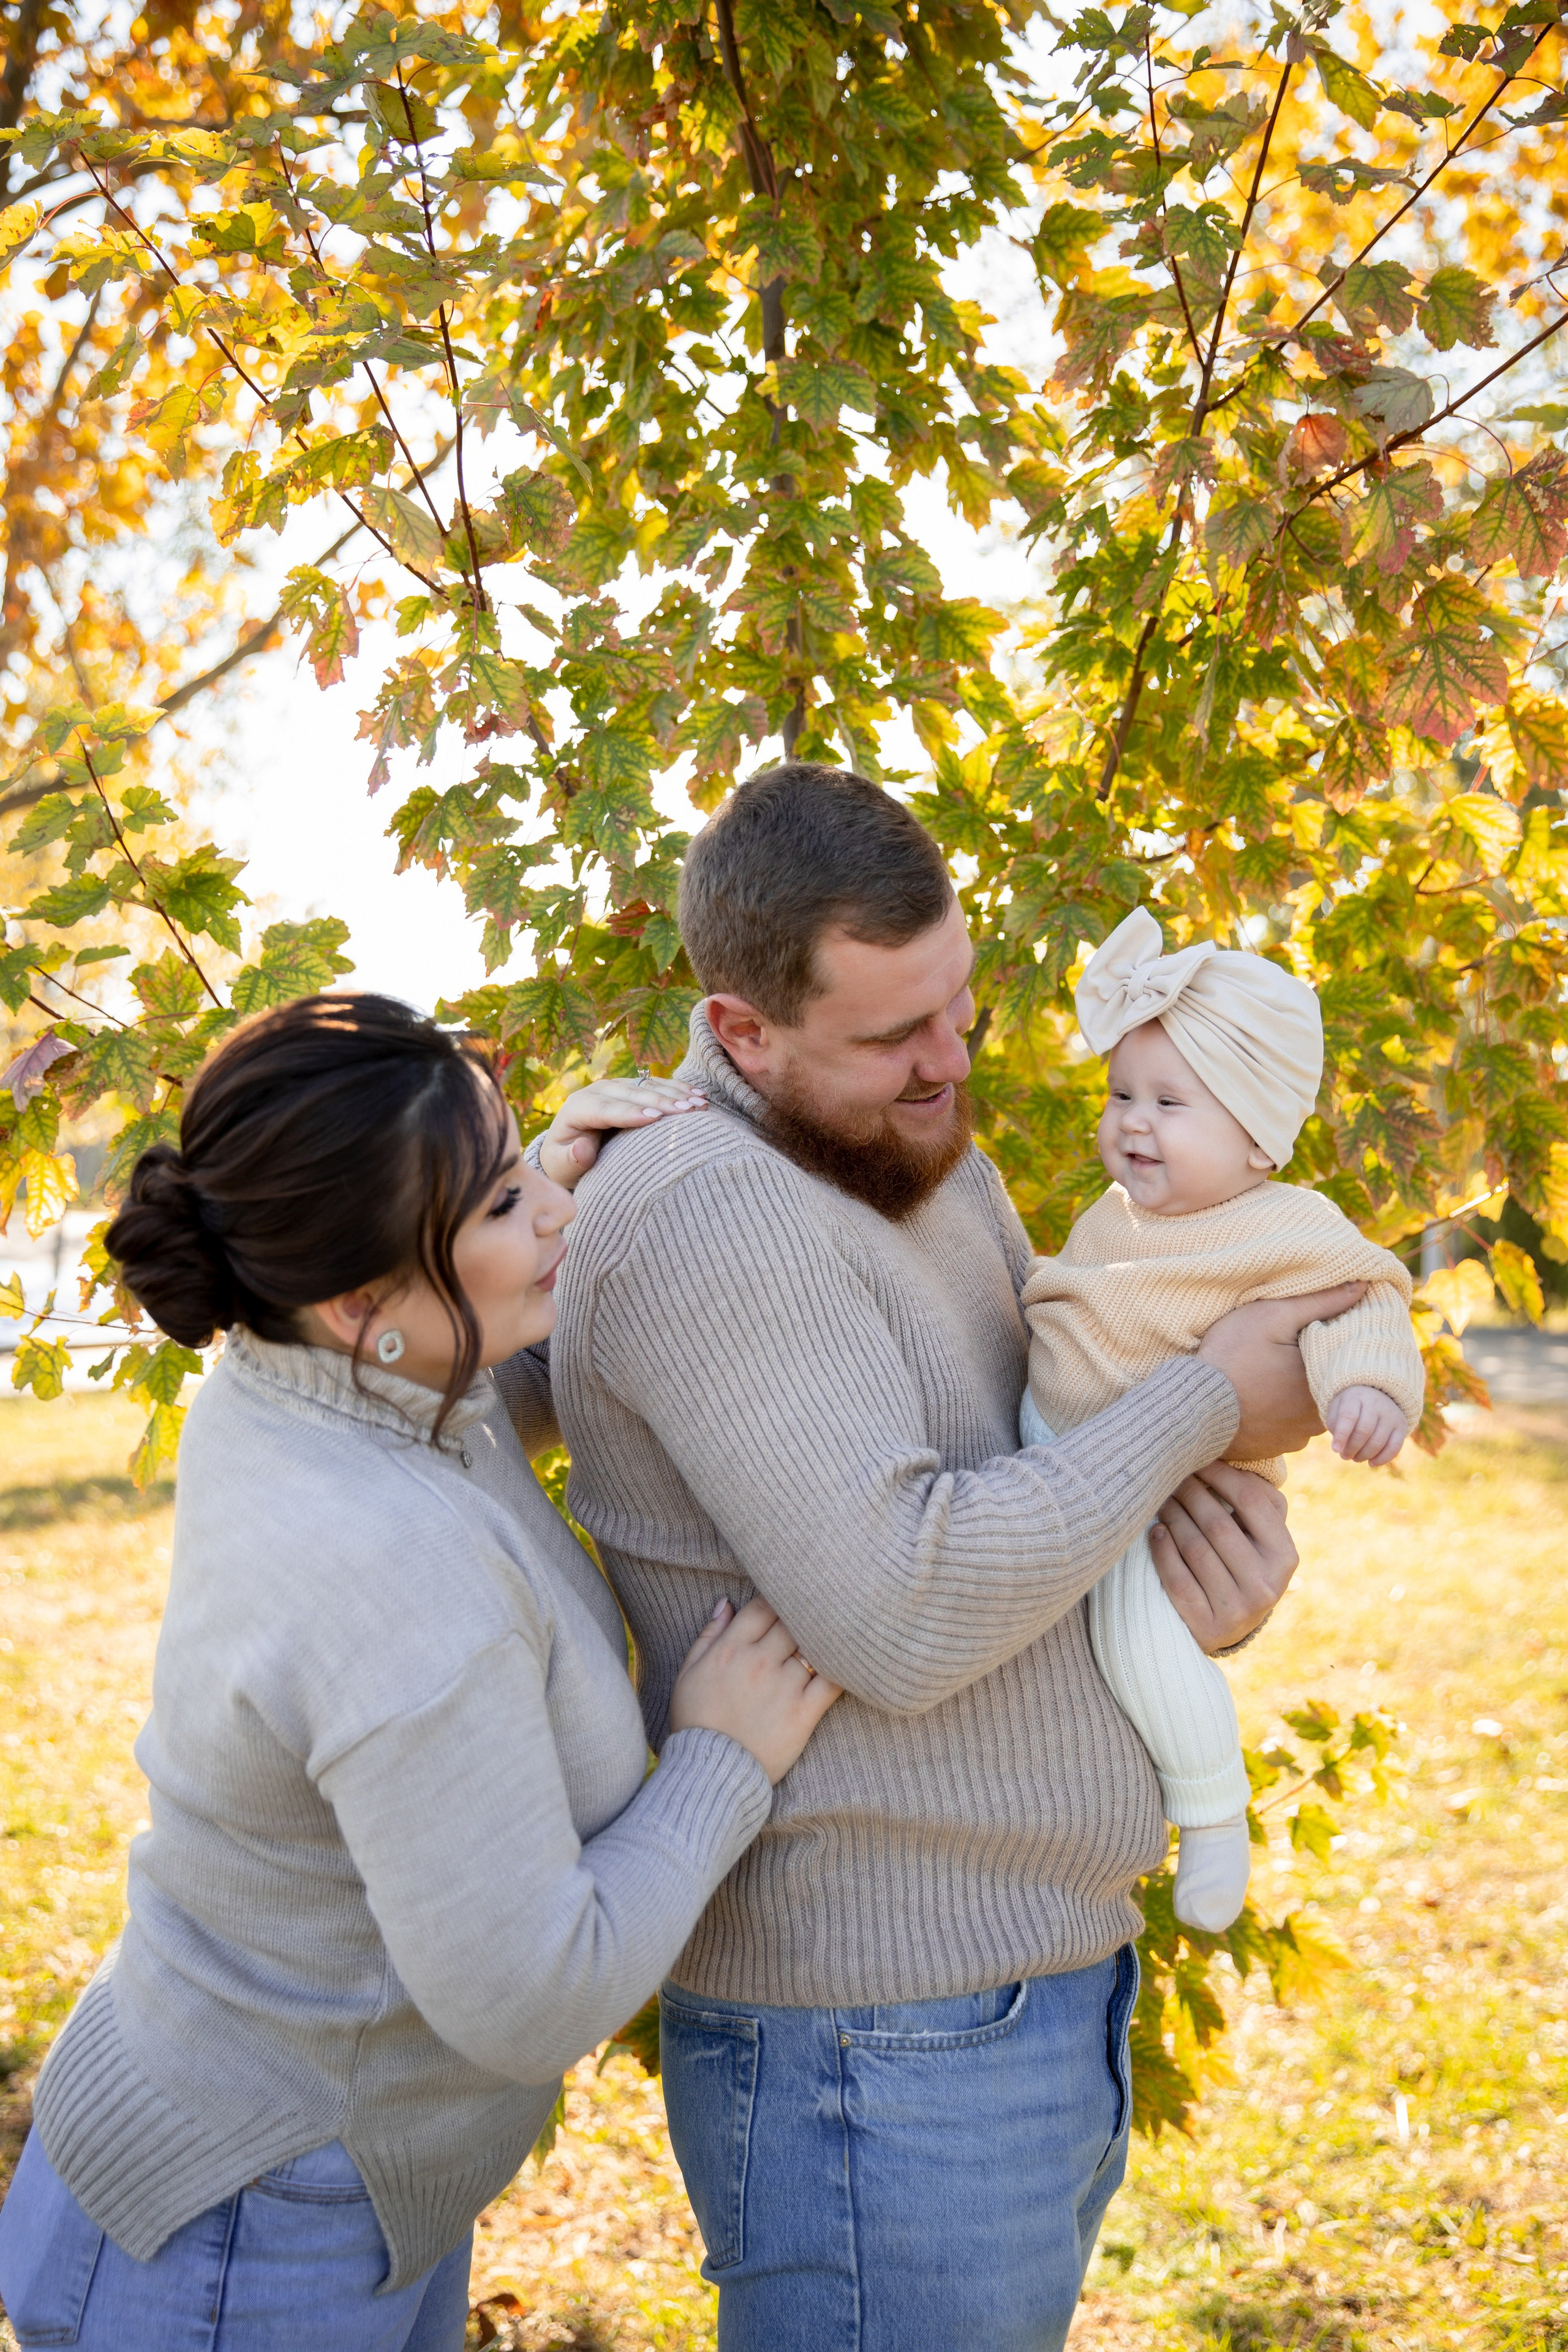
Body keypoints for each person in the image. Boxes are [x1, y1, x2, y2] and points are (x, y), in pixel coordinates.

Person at [540, 762, 1367, 2352]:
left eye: (963, 1010)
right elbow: (907, 1608)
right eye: (890, 1037)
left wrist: (1201, 1568)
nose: (946, 1066)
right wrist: (1206, 1402)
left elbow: (1037, 1490)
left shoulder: (922, 1161)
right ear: (741, 1035)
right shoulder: (713, 1208)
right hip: (879, 2038)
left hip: (1026, 1992)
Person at [0, 995, 839, 2352]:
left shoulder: (289, 1380)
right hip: (245, 2246)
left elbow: (449, 1428)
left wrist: (518, 1197)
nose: (556, 1212)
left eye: (518, 1168)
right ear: (361, 1304)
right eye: (505, 1202)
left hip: (267, 2172)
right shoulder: (390, 1583)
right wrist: (720, 1763)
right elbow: (530, 1994)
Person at [1021, 906, 1424, 1933]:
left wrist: (1364, 1391)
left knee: (1137, 1636)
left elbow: (1360, 1303)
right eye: (1120, 1095)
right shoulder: (1118, 1216)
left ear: (1256, 1140)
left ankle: (1210, 1812)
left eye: (1170, 1102)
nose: (1133, 1123)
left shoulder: (1286, 1226)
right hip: (1053, 1448)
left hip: (1152, 1496)